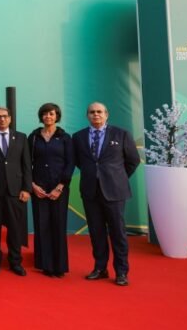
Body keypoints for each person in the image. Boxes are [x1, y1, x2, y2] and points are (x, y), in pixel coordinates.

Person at [73, 102, 140, 286]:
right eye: (92, 112)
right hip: (90, 191)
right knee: (96, 232)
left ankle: (121, 272)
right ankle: (100, 268)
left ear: (106, 114)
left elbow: (133, 161)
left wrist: (117, 177)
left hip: (115, 191)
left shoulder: (121, 134)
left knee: (118, 233)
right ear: (87, 115)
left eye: (99, 112)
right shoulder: (78, 137)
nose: (96, 115)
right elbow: (79, 162)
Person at [0, 106, 31, 276]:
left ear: (10, 118)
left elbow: (26, 165)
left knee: (15, 228)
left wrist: (26, 188)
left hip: (16, 191)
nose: (2, 119)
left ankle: (15, 261)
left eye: (5, 116)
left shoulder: (21, 137)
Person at [28, 103, 74, 278]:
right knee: (42, 225)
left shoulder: (65, 138)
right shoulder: (33, 137)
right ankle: (45, 265)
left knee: (58, 225)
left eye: (51, 114)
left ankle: (59, 266)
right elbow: (27, 163)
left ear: (57, 116)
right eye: (45, 114)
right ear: (41, 117)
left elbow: (70, 163)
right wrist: (32, 185)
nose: (48, 117)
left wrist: (61, 186)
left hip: (59, 188)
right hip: (38, 187)